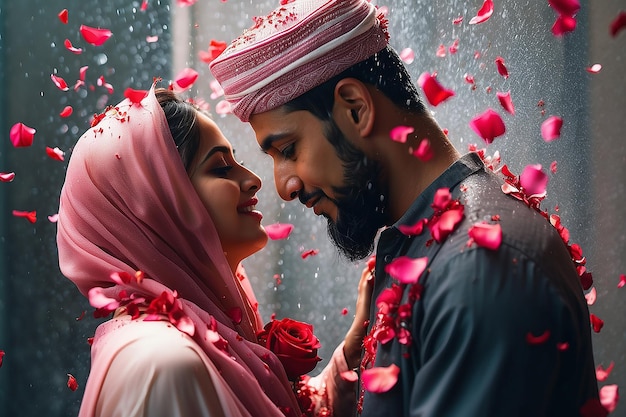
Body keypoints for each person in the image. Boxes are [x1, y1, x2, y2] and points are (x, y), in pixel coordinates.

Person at [209, 0, 601, 415]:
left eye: (288, 149)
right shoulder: (440, 247)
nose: (284, 187)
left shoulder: (479, 269)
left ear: (356, 108)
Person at [56, 85, 369, 416]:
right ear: (157, 206)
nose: (253, 180)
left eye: (237, 162)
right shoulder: (161, 365)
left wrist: (352, 351)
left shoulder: (189, 338)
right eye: (221, 168)